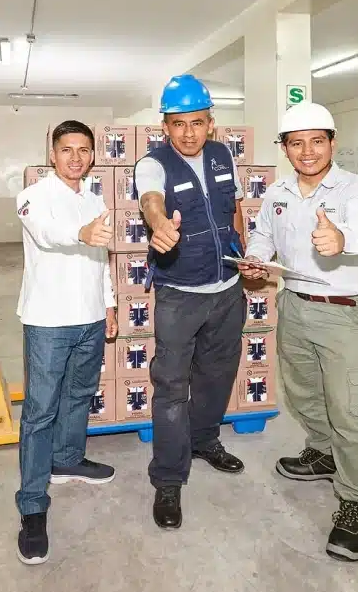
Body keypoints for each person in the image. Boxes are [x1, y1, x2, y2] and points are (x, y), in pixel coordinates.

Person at [239, 101, 358, 563]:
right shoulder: (277, 193)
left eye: (317, 141)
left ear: (332, 143)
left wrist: (341, 239)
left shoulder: (357, 190)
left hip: (345, 311)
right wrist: (256, 258)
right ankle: (323, 453)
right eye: (296, 143)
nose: (307, 151)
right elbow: (264, 234)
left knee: (348, 410)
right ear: (284, 148)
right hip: (295, 304)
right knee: (303, 394)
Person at [134, 74, 248, 530]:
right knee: (171, 387)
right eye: (178, 124)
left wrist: (245, 253)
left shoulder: (223, 156)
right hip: (180, 294)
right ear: (165, 126)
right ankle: (167, 478)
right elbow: (151, 201)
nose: (188, 133)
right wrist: (159, 224)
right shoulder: (152, 163)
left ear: (210, 123)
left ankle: (204, 439)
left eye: (196, 123)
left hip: (228, 289)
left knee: (217, 375)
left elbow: (234, 210)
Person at [14, 120, 119, 565]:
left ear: (93, 155)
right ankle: (32, 505)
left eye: (83, 150)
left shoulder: (94, 199)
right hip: (48, 321)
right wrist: (80, 233)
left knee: (79, 394)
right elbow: (45, 233)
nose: (76, 157)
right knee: (40, 412)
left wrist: (109, 304)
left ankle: (67, 459)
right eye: (67, 149)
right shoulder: (32, 196)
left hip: (90, 317)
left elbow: (101, 259)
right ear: (52, 154)